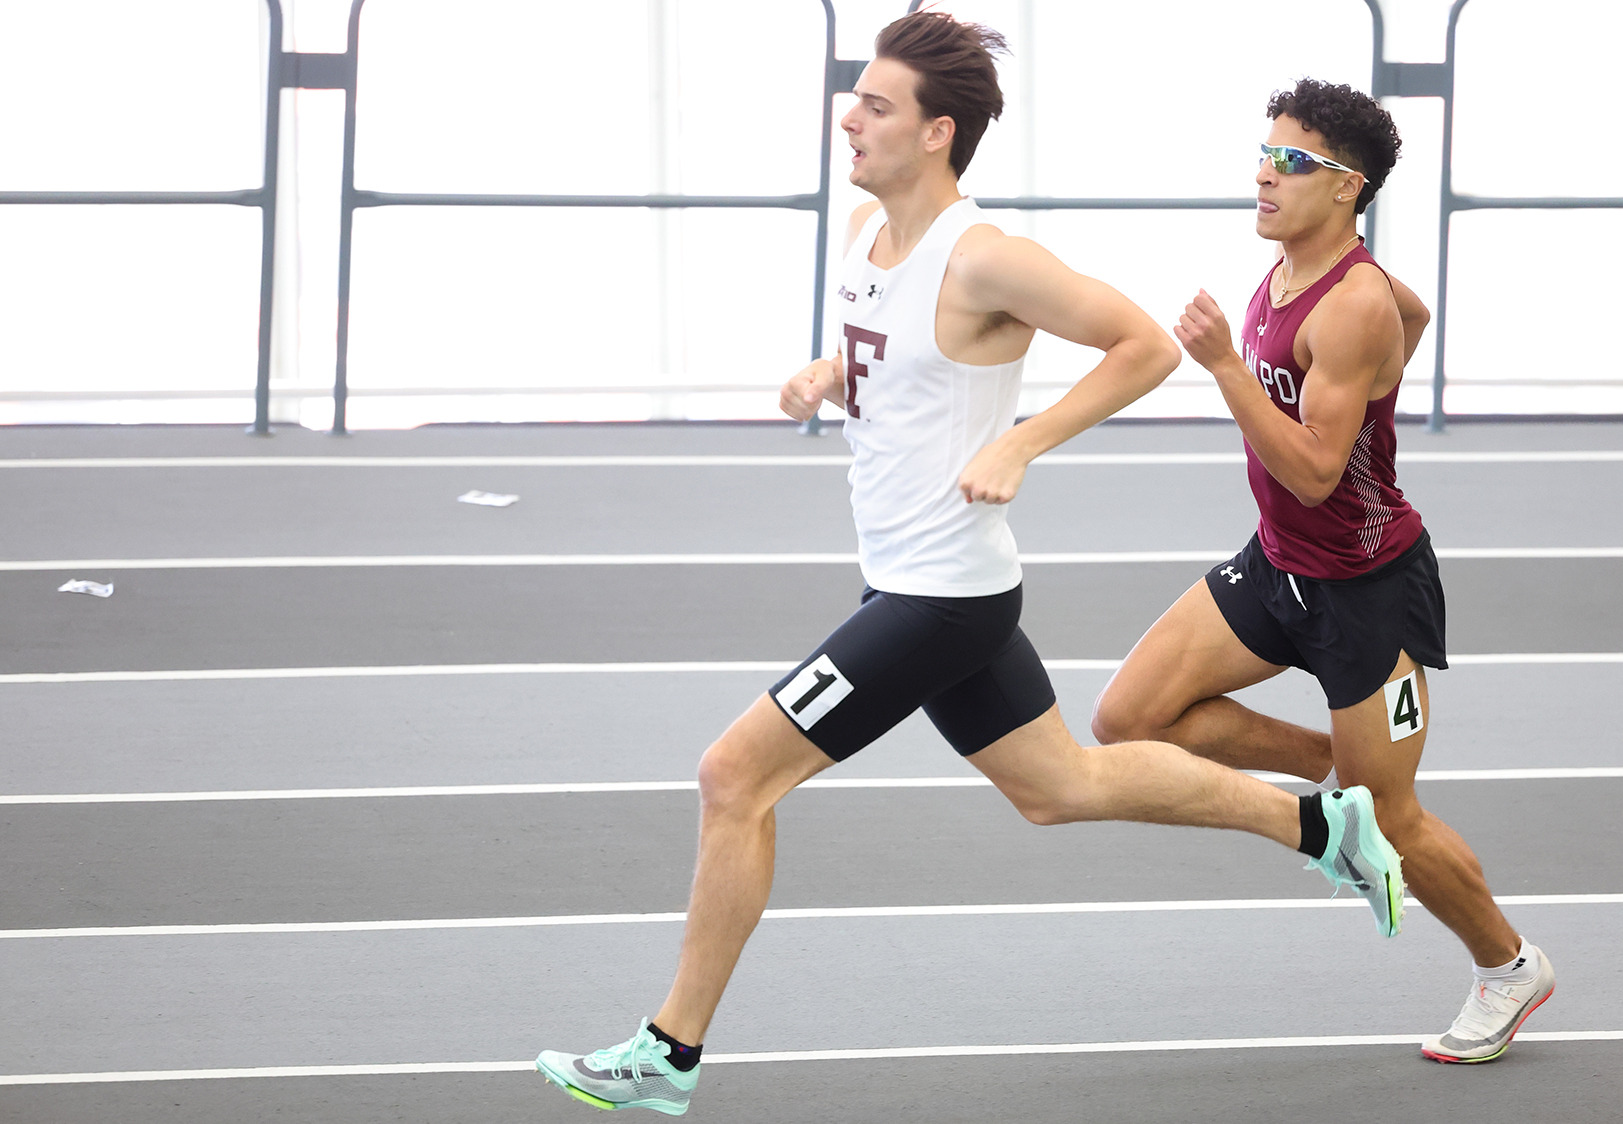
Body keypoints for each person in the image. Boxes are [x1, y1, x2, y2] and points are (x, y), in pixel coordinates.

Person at [534, 17, 1403, 1115]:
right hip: (929, 580)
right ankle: (1324, 825)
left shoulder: (985, 253)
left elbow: (1136, 343)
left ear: (938, 133)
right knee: (1061, 786)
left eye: (878, 105)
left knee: (731, 776)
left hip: (938, 594)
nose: (850, 117)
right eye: (854, 97)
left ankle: (669, 1051)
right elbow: (902, 363)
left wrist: (1021, 440)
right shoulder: (864, 233)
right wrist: (823, 375)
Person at [1091, 79, 1555, 1065]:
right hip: (1277, 567)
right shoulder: (1311, 273)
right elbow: (1409, 312)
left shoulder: (1348, 305)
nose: (1264, 172)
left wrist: (1222, 367)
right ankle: (1325, 769)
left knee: (1392, 816)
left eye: (1291, 160)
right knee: (1127, 720)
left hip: (1366, 592)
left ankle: (1508, 965)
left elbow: (1309, 471)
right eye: (1263, 152)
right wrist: (1380, 358)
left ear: (1345, 189)